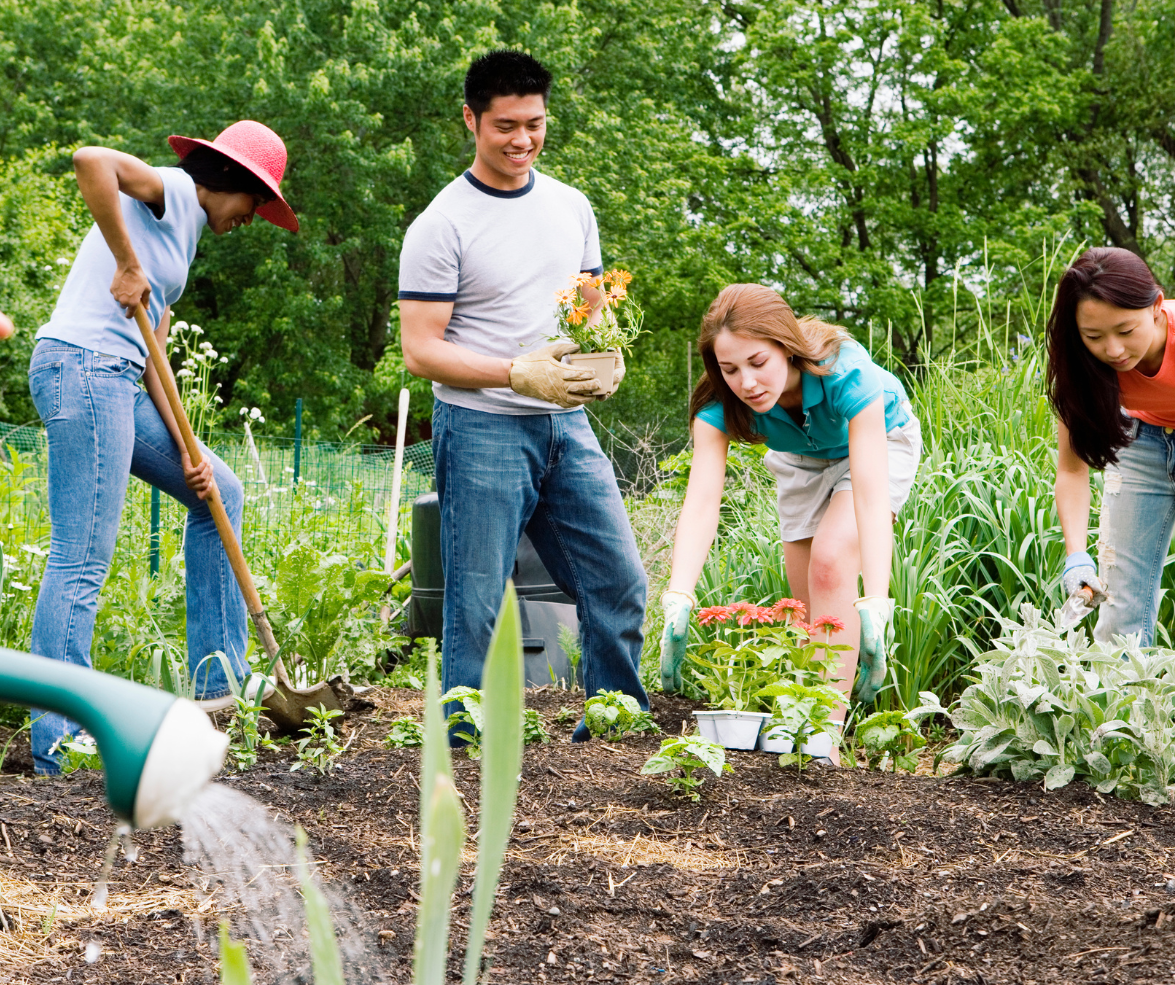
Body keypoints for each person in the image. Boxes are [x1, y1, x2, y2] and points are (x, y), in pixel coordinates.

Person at [28, 120, 299, 774]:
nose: (254, 218)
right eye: (255, 202)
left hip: (118, 378)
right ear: (228, 182)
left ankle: (217, 687)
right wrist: (125, 262)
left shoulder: (186, 234)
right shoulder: (173, 192)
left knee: (219, 494)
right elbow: (90, 158)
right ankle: (58, 740)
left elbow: (154, 355)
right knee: (81, 556)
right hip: (83, 369)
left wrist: (187, 446)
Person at [398, 50, 648, 739]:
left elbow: (592, 304)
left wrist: (606, 356)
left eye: (534, 124)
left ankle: (614, 728)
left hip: (566, 425)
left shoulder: (571, 206)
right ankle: (463, 740)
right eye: (505, 125)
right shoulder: (441, 224)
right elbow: (421, 348)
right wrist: (514, 373)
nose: (522, 140)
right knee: (475, 603)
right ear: (470, 120)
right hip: (481, 426)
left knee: (617, 582)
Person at [659, 285, 923, 754]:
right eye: (730, 368)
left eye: (758, 362)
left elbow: (868, 491)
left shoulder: (847, 373)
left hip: (879, 441)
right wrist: (678, 595)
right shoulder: (718, 405)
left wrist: (877, 600)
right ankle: (807, 728)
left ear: (787, 346)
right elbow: (700, 502)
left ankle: (822, 741)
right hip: (799, 460)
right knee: (806, 611)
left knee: (832, 559)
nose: (747, 382)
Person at [1048, 247, 1175, 645]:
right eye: (1094, 336)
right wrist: (1076, 557)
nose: (1114, 351)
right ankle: (1123, 708)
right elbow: (1072, 469)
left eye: (1125, 330)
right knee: (1122, 609)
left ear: (1156, 307)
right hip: (1141, 441)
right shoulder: (1080, 367)